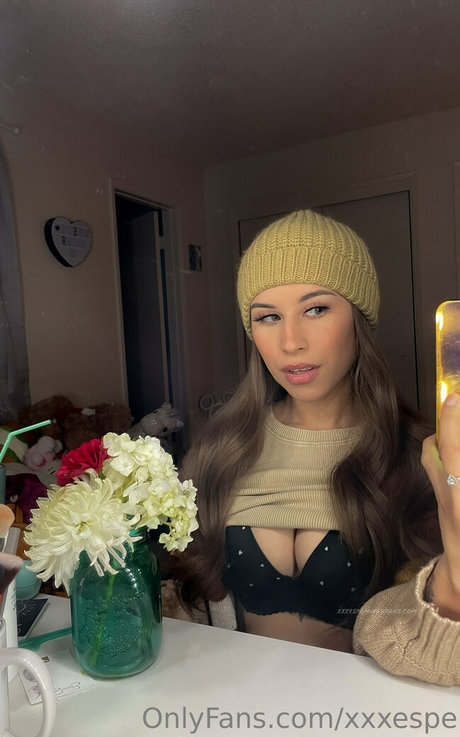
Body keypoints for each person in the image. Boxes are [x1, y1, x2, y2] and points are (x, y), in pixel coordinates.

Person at [168, 209, 460, 686]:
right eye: (268, 317)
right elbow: (187, 605)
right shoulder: (220, 451)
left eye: (316, 309)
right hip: (235, 706)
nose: (290, 342)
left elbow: (439, 650)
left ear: (358, 319)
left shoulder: (417, 457)